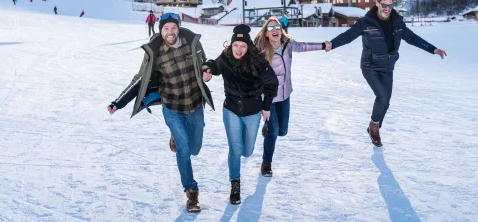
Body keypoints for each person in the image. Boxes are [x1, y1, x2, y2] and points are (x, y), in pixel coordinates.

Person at [107, 13, 214, 213]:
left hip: (195, 104)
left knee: (195, 148)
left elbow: (205, 63)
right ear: (160, 30)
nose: (170, 32)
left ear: (178, 28)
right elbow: (140, 78)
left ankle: (178, 136)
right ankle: (191, 192)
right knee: (183, 151)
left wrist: (207, 71)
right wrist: (119, 102)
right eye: (166, 28)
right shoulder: (155, 52)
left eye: (173, 28)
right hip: (172, 107)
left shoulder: (193, 43)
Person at [327, 0, 446, 147]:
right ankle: (375, 127)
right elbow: (348, 36)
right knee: (382, 96)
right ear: (377, 4)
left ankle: (373, 125)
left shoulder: (397, 22)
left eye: (390, 5)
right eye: (384, 5)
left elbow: (412, 38)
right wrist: (332, 44)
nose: (387, 8)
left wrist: (433, 49)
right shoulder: (366, 22)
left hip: (388, 67)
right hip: (370, 66)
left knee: (386, 102)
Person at [202, 25, 278, 205]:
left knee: (247, 151)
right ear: (231, 45)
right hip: (231, 110)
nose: (238, 49)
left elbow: (272, 84)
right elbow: (215, 64)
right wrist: (207, 68)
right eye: (236, 45)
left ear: (248, 46)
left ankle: (246, 150)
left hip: (252, 112)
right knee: (235, 149)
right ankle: (235, 185)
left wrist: (266, 107)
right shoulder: (227, 57)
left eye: (242, 46)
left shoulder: (258, 62)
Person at [254, 16, 330, 177]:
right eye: (270, 28)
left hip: (285, 93)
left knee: (282, 131)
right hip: (266, 96)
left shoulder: (288, 44)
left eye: (277, 27)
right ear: (266, 33)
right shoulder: (260, 49)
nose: (275, 30)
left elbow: (304, 46)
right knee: (274, 132)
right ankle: (266, 163)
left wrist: (323, 45)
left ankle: (268, 126)